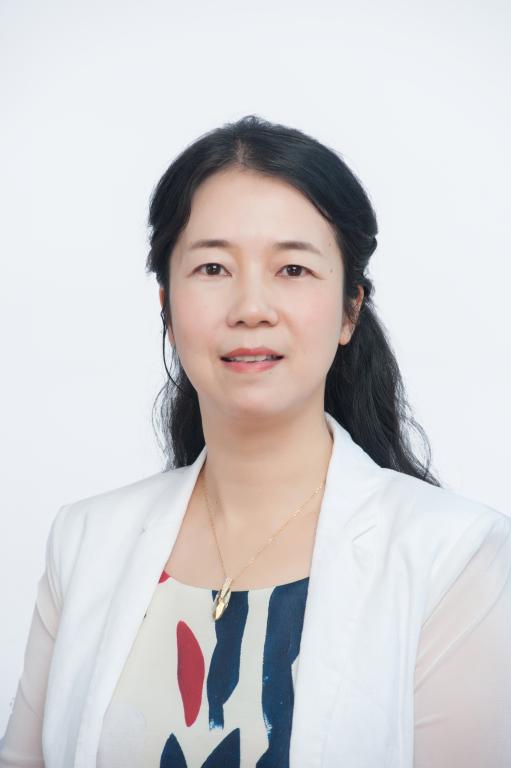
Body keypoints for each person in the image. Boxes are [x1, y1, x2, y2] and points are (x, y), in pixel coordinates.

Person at [1, 115, 510, 768]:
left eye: (292, 269)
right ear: (166, 306)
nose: (250, 307)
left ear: (350, 309)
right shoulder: (84, 541)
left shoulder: (455, 557)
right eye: (212, 267)